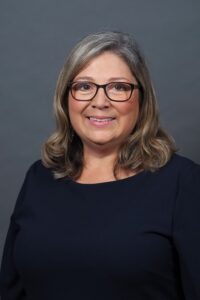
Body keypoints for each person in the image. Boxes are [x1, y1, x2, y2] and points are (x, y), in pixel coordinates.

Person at [0, 31, 200, 300]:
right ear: (65, 98)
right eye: (84, 86)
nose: (100, 101)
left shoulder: (183, 182)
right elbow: (10, 290)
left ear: (142, 100)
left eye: (118, 87)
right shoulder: (39, 177)